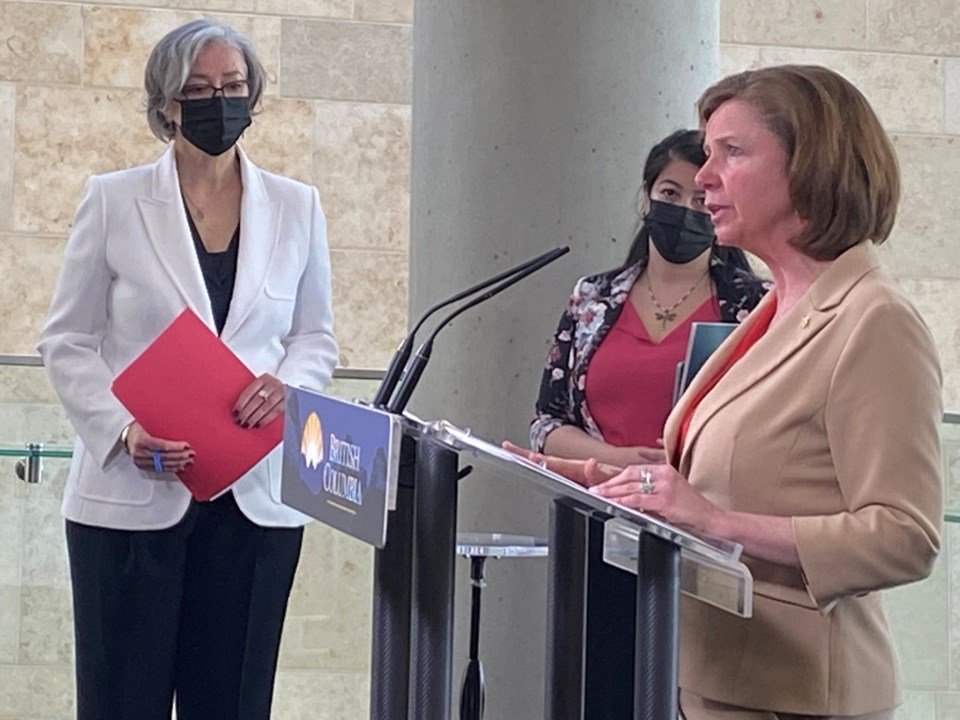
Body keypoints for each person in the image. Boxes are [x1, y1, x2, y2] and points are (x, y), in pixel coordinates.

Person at [532, 65, 942, 719]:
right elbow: (744, 474)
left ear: (811, 165)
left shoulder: (875, 320)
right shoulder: (775, 306)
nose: (704, 177)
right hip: (713, 673)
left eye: (733, 151)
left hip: (800, 695)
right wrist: (627, 482)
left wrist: (715, 520)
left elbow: (904, 536)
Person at [37, 19, 338, 720]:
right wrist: (122, 430)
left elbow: (316, 337)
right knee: (121, 703)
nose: (218, 101)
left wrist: (288, 384)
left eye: (233, 87)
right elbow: (67, 340)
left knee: (232, 704)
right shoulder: (112, 200)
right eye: (198, 89)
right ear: (167, 103)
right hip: (129, 499)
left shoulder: (298, 207)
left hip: (254, 500)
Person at [530, 129, 768, 466]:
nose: (685, 210)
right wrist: (615, 460)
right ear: (647, 199)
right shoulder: (592, 299)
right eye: (670, 194)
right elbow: (547, 422)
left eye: (701, 199)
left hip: (701, 508)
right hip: (596, 508)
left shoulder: (755, 305)